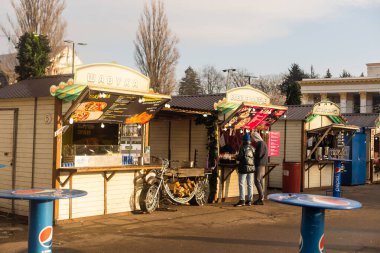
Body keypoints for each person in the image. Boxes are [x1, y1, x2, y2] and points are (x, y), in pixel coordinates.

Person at [234, 133, 255, 207]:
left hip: (243, 168)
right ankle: (249, 200)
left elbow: (239, 158)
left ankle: (242, 200)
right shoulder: (253, 148)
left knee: (241, 183)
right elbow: (254, 158)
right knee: (250, 184)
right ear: (249, 140)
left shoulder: (242, 148)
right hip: (251, 169)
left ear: (244, 140)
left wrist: (235, 156)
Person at [251, 131, 268, 205]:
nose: (252, 140)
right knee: (260, 180)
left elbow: (259, 154)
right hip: (263, 164)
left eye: (253, 138)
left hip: (259, 164)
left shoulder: (260, 143)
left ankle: (261, 198)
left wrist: (253, 152)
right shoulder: (263, 143)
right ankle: (261, 197)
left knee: (257, 181)